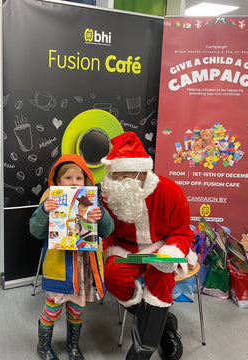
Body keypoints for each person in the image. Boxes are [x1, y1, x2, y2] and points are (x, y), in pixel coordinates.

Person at [100, 132, 196, 360]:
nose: (117, 182)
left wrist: (170, 252)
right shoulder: (111, 195)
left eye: (124, 176)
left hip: (161, 246)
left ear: (142, 172)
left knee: (161, 278)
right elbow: (108, 233)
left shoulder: (170, 191)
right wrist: (99, 247)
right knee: (112, 274)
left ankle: (141, 353)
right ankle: (164, 326)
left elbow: (182, 232)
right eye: (114, 176)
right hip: (127, 248)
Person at [30, 154, 114, 360]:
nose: (74, 182)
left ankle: (73, 346)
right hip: (59, 268)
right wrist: (44, 211)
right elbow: (35, 230)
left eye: (79, 178)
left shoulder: (91, 201)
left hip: (82, 269)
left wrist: (100, 216)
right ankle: (43, 346)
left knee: (76, 309)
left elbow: (108, 230)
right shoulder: (49, 199)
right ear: (58, 181)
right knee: (52, 309)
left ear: (86, 180)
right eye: (68, 178)